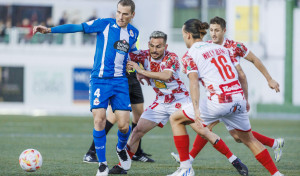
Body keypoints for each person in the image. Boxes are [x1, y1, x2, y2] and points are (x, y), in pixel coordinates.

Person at [108, 31, 247, 175]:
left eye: (159, 47)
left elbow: (166, 76)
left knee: (203, 131)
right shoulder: (143, 55)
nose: (154, 50)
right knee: (137, 131)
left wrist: (141, 70)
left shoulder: (171, 58)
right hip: (161, 102)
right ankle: (122, 166)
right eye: (152, 46)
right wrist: (124, 51)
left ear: (165, 46)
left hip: (180, 101)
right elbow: (122, 56)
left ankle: (234, 160)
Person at [33, 1, 138, 176]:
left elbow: (133, 52)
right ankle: (102, 165)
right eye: (118, 12)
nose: (120, 16)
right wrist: (50, 30)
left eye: (125, 14)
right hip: (99, 81)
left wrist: (136, 65)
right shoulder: (104, 24)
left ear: (132, 15)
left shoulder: (134, 33)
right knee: (99, 120)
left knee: (124, 126)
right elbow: (77, 27)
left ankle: (121, 149)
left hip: (120, 82)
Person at [168, 18, 284, 176]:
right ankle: (276, 174)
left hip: (220, 101)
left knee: (176, 119)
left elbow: (194, 83)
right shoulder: (223, 49)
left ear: (188, 35)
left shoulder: (190, 55)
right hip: (238, 98)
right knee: (248, 139)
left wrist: (196, 109)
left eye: (183, 34)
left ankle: (186, 168)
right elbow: (239, 74)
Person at [83, 70, 154, 163]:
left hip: (134, 78)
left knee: (139, 116)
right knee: (112, 118)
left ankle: (137, 152)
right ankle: (91, 152)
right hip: (120, 79)